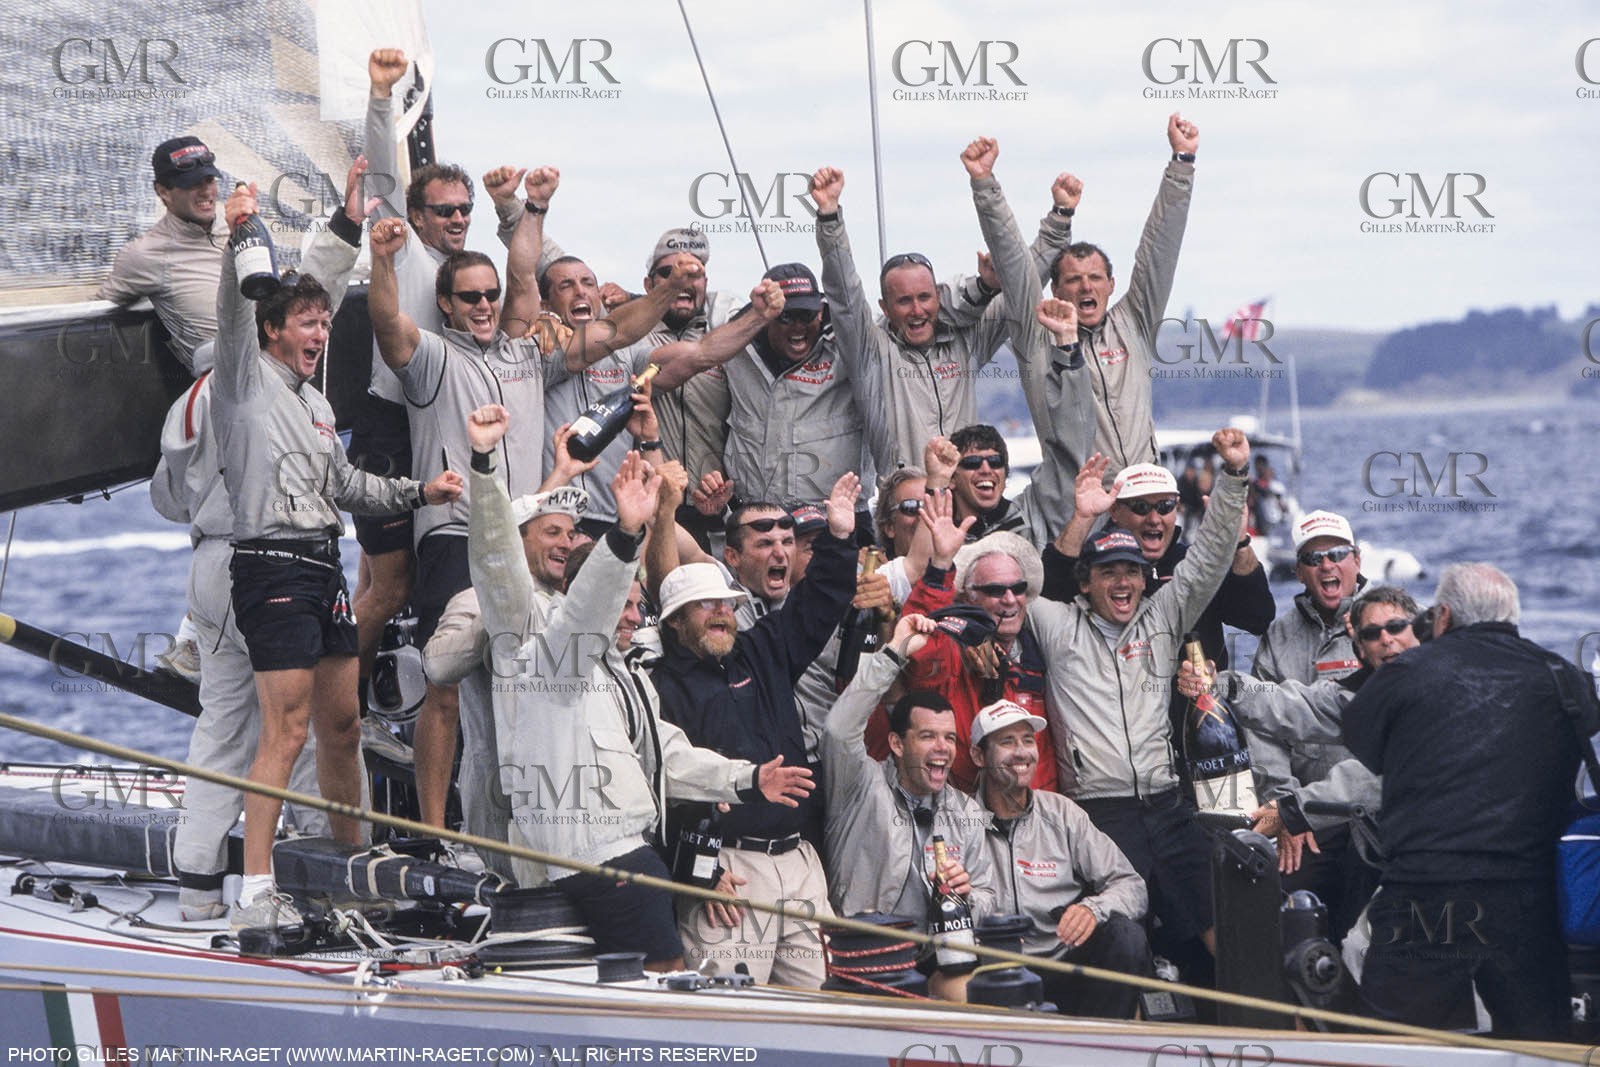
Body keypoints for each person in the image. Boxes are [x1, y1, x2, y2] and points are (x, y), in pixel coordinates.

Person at [368, 177, 699, 828]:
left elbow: (610, 332)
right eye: (470, 297)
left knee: (522, 690)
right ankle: (436, 833)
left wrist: (667, 290)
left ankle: (515, 828)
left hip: (524, 541)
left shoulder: (529, 354)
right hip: (455, 539)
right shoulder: (432, 359)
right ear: (447, 303)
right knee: (446, 686)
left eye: (491, 295)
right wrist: (381, 260)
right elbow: (386, 323)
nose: (486, 305)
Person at [461, 404, 811, 971]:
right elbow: (499, 562)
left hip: (634, 848)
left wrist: (747, 778)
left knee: (635, 990)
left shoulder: (623, 674)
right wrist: (485, 464)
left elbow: (666, 753)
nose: (631, 618)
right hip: (602, 857)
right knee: (665, 986)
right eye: (622, 607)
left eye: (634, 607)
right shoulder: (552, 655)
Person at [209, 181, 462, 930]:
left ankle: (352, 865)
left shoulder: (318, 404)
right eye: (307, 323)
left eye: (324, 322)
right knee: (283, 731)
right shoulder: (240, 378)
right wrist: (240, 234)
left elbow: (347, 484)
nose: (320, 334)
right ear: (271, 328)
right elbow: (233, 311)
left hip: (324, 566)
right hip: (271, 565)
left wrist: (424, 491)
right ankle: (255, 887)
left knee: (342, 727)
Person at [147, 159, 375, 920]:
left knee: (225, 727)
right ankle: (309, 866)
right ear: (259, 337)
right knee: (299, 726)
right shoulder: (262, 385)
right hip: (266, 563)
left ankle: (196, 887)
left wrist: (338, 229)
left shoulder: (194, 401)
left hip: (215, 568)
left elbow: (166, 497)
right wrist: (330, 227)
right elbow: (316, 296)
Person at [1027, 427, 1251, 968]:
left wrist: (1235, 477)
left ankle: (1270, 1030)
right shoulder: (1055, 624)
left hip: (1168, 804)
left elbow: (1213, 554)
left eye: (1132, 571)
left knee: (1227, 922)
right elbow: (1012, 585)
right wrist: (1082, 517)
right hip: (1098, 813)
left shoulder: (1164, 614)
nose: (1123, 581)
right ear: (1087, 582)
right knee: (1123, 940)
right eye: (1109, 572)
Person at [1342, 563, 1587, 1040]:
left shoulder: (1406, 673)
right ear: (1512, 615)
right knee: (1541, 1043)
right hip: (1525, 897)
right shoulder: (1561, 677)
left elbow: (1363, 743)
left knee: (1390, 1043)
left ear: (1444, 616)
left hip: (1427, 893)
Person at [650, 473, 861, 986]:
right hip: (729, 874)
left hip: (800, 862)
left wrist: (838, 537)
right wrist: (696, 872)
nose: (722, 614)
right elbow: (658, 787)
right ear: (676, 621)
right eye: (707, 606)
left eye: (727, 605)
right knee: (730, 1023)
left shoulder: (763, 648)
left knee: (815, 1019)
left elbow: (820, 602)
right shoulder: (657, 686)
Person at [810, 137, 1076, 472]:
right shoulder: (872, 352)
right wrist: (830, 217)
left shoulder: (966, 342)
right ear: (885, 307)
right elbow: (844, 295)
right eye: (904, 301)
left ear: (938, 296)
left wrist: (1058, 219)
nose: (917, 310)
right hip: (908, 503)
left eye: (924, 297)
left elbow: (1022, 284)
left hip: (966, 498)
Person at [1185, 585, 1418, 943]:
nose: (1386, 640)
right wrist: (1221, 685)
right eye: (1372, 633)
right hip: (1369, 832)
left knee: (1366, 944)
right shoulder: (1366, 695)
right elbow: (1293, 705)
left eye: (1396, 627)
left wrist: (1288, 811)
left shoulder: (1434, 687)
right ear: (1360, 648)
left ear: (1419, 629)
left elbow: (1377, 780)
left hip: (1446, 844)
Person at [823, 615, 999, 1001]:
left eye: (950, 738)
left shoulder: (965, 810)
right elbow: (839, 729)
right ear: (898, 745)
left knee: (971, 990)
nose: (943, 748)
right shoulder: (859, 784)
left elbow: (987, 896)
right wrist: (894, 652)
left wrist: (966, 896)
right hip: (861, 958)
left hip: (933, 957)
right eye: (928, 737)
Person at [865, 491, 1057, 794]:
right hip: (971, 819)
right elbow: (918, 644)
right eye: (995, 590)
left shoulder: (1043, 646)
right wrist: (940, 565)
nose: (1009, 600)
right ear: (968, 596)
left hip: (1041, 818)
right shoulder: (949, 652)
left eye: (1017, 588)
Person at [972, 700, 1151, 1017]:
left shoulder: (1062, 812)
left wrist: (1093, 909)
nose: (1022, 752)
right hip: (993, 975)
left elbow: (1132, 886)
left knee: (1126, 936)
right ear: (978, 755)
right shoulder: (960, 821)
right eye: (1006, 742)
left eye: (1028, 740)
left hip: (1066, 966)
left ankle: (1101, 1050)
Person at [1052, 113, 1198, 475]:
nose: (1086, 287)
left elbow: (1159, 251)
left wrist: (1182, 165)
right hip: (1087, 502)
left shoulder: (1133, 321)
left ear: (1111, 285)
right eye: (1074, 280)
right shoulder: (1042, 341)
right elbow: (1016, 281)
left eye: (1095, 278)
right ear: (1055, 289)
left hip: (1146, 491)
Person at [99, 135, 226, 373]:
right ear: (163, 192)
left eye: (209, 179)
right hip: (225, 390)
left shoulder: (241, 230)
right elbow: (91, 317)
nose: (206, 190)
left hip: (280, 376)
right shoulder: (144, 255)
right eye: (192, 183)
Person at [1251, 509, 1366, 686]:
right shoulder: (1277, 635)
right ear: (1299, 573)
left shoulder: (1397, 620)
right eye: (1313, 558)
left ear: (1357, 561)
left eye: (1338, 554)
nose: (1327, 565)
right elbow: (1259, 706)